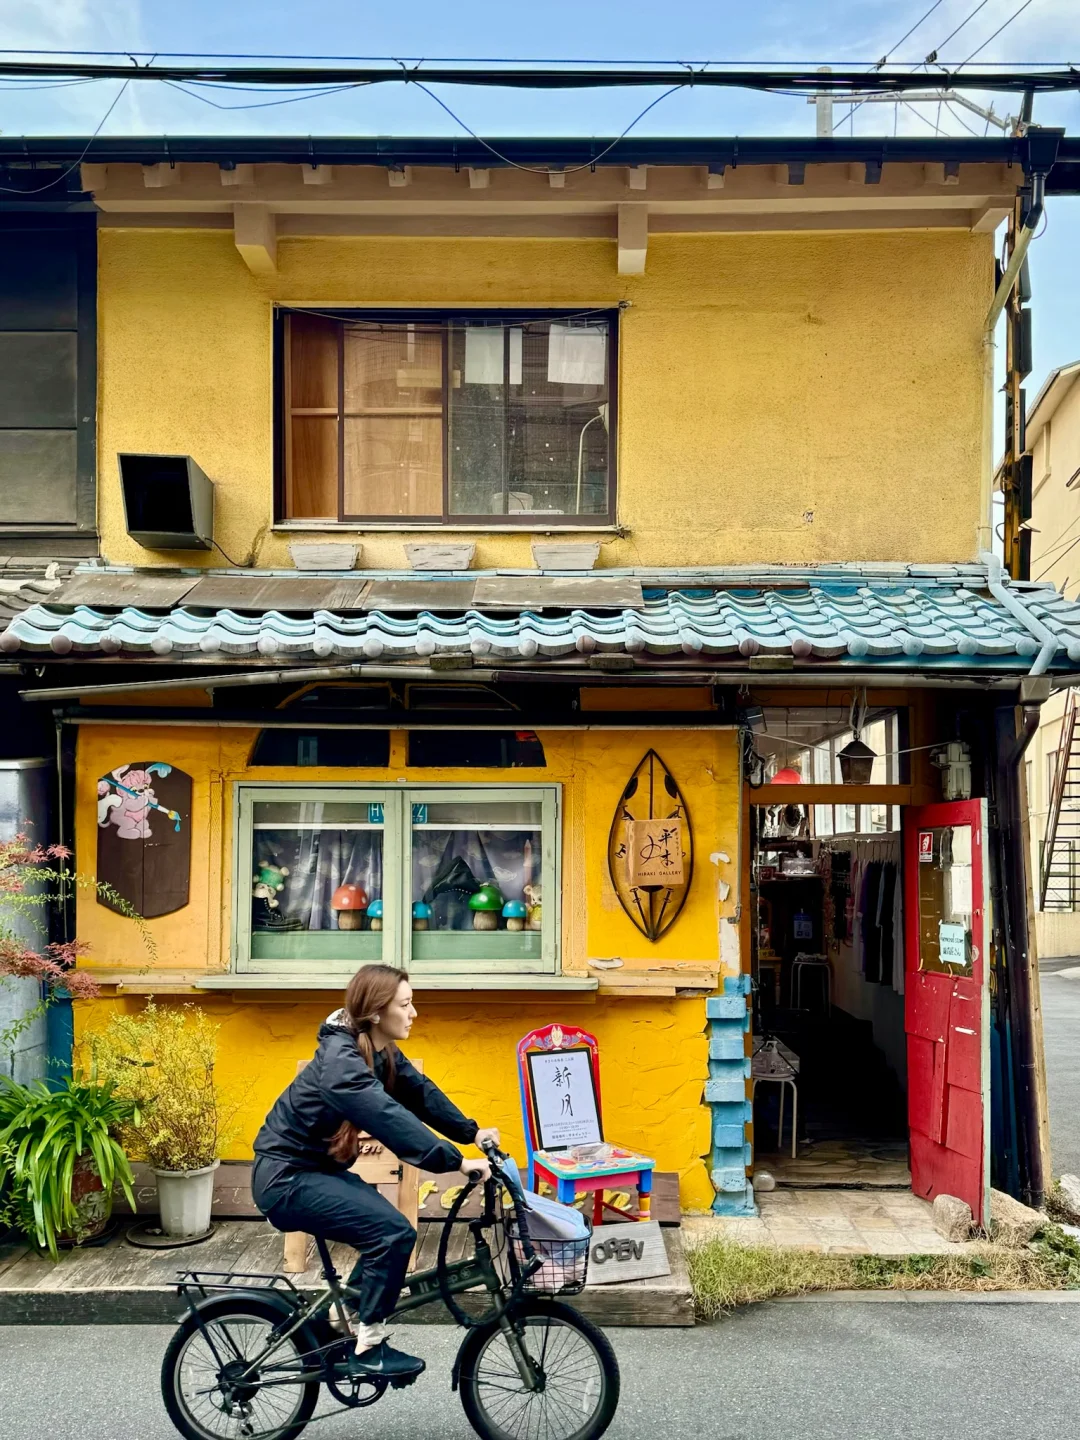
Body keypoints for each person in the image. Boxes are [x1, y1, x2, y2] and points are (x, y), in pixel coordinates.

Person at [252, 964, 499, 1381]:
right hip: (286, 1179)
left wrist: (471, 1132)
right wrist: (454, 1162)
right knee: (392, 1233)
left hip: (315, 1171)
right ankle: (368, 1346)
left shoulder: (377, 1048)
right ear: (376, 1012)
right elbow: (386, 1115)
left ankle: (340, 1315)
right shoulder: (342, 1062)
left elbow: (418, 1092)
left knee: (389, 1229)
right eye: (405, 1004)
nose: (414, 1012)